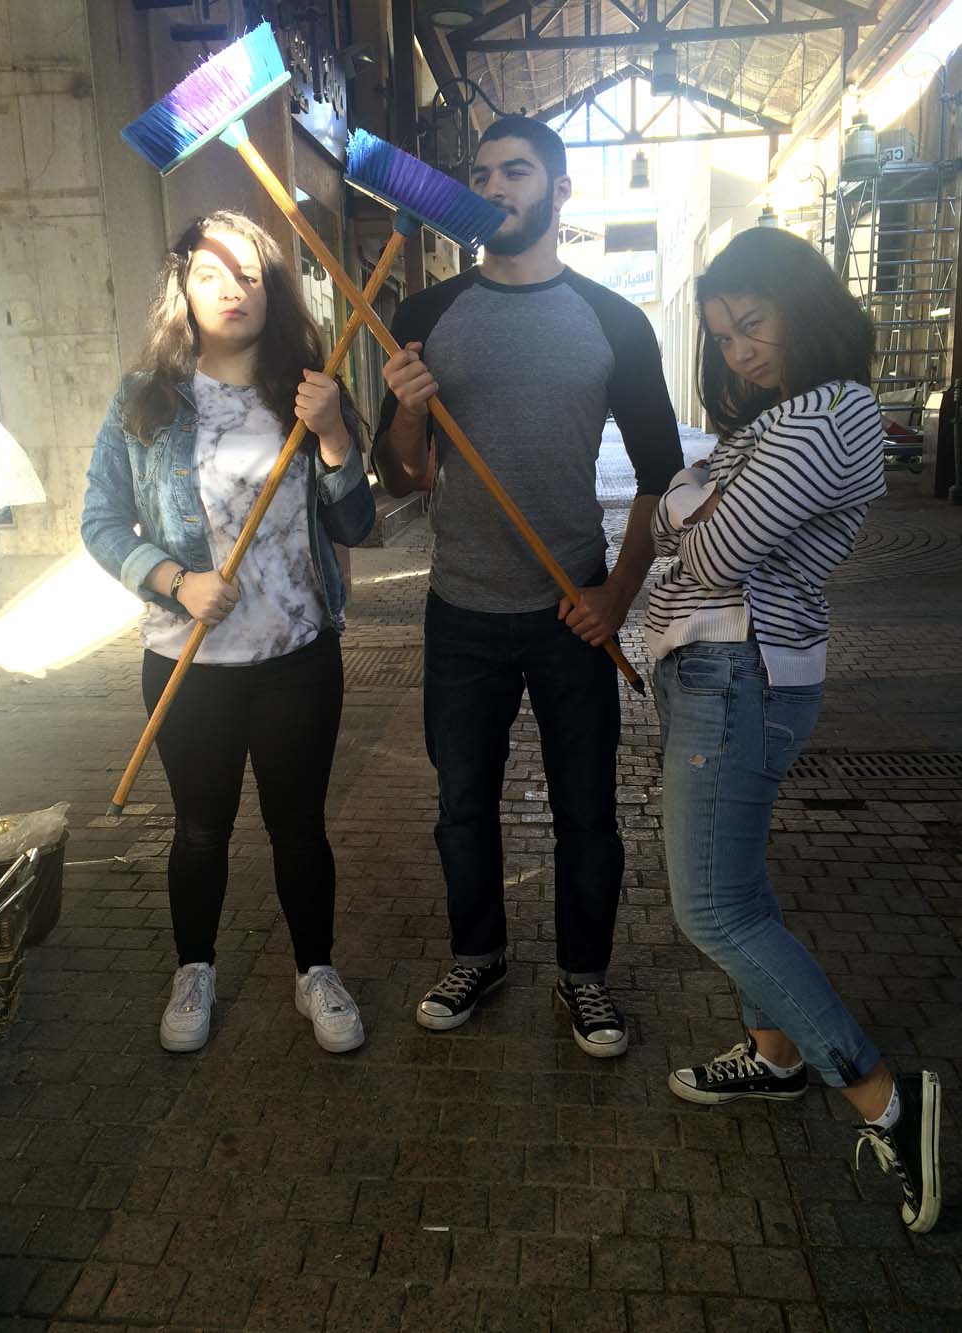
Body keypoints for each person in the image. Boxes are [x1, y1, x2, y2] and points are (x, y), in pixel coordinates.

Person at [645, 225, 941, 1233]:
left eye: (752, 324)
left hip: (740, 670)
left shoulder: (825, 415)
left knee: (711, 910)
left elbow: (708, 547)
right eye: (725, 337)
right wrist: (690, 505)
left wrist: (692, 504)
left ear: (800, 306)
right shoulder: (781, 418)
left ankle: (887, 1100)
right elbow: (671, 518)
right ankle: (774, 1056)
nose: (741, 352)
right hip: (722, 669)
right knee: (738, 888)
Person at [373, 117, 683, 1056]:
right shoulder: (428, 315)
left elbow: (663, 478)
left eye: (516, 171)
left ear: (560, 190)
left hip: (570, 612)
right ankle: (478, 955)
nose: (495, 187)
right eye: (480, 174)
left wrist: (617, 595)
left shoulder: (613, 321)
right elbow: (402, 476)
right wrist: (410, 417)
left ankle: (585, 977)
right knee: (462, 805)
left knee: (587, 811)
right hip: (460, 610)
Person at [82, 211, 374, 1056]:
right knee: (200, 828)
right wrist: (175, 581)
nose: (231, 290)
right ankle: (195, 967)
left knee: (299, 827)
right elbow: (101, 520)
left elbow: (355, 523)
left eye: (248, 274)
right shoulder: (145, 398)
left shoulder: (309, 391)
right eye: (210, 274)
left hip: (296, 657)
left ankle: (315, 970)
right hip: (189, 661)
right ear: (182, 288)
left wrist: (331, 434)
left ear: (272, 288)